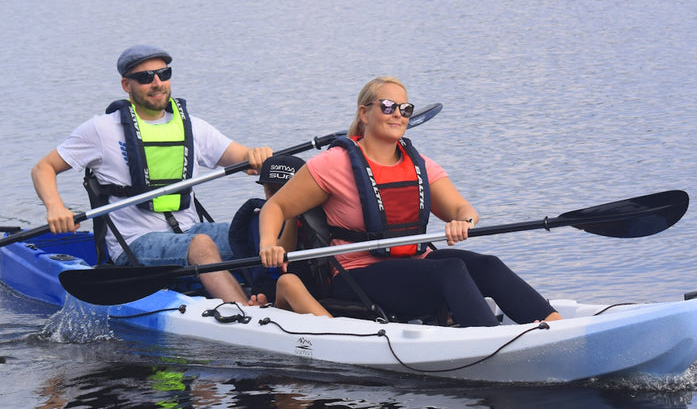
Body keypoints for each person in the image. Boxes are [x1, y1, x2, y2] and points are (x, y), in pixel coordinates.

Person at [257, 76, 562, 327]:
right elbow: (276, 207)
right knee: (451, 270)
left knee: (488, 266)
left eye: (405, 108)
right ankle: (498, 344)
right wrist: (269, 242)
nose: (398, 114)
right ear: (364, 114)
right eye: (388, 106)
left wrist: (463, 223)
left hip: (413, 264)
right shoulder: (333, 164)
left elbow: (462, 209)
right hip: (357, 274)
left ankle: (557, 327)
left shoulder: (419, 165)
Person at [32, 44, 272, 305]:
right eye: (146, 78)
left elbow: (244, 157)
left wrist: (257, 155)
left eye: (163, 74)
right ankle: (245, 314)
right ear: (126, 84)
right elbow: (43, 168)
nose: (157, 83)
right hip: (135, 244)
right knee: (201, 245)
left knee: (261, 226)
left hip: (189, 231)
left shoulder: (194, 127)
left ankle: (279, 295)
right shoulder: (101, 130)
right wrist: (55, 207)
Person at [231, 155, 332, 317]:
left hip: (324, 290)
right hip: (284, 294)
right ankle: (334, 331)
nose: (277, 198)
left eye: (284, 191)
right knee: (288, 282)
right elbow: (282, 254)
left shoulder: (326, 214)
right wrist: (290, 213)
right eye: (271, 191)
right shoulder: (262, 224)